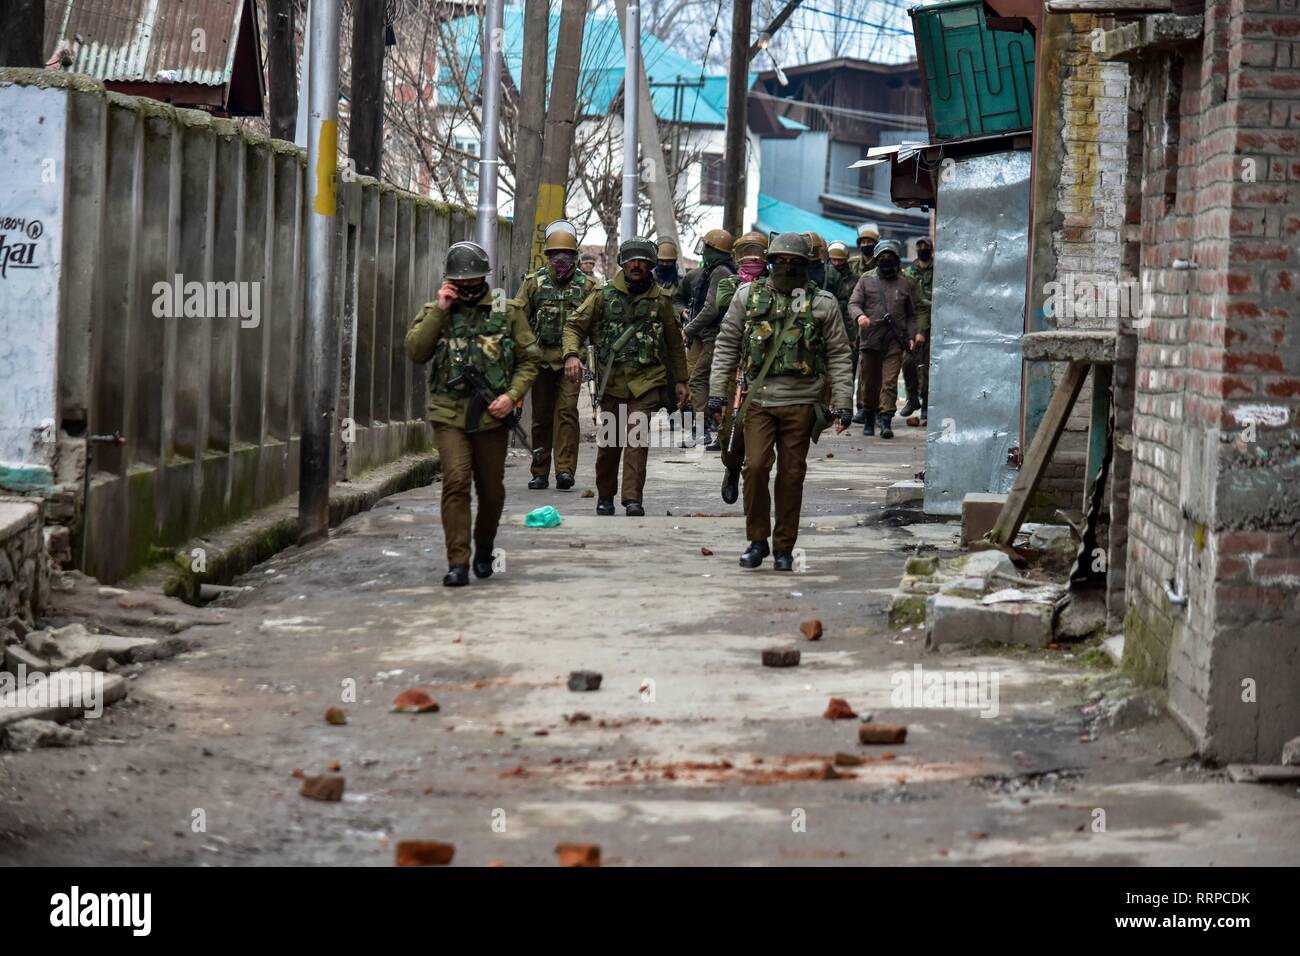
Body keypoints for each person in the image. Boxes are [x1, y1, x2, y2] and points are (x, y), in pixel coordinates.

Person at [708, 232, 854, 571]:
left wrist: (843, 402)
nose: (787, 267)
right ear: (771, 262)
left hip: (803, 402)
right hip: (758, 400)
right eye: (781, 261)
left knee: (791, 475)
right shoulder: (748, 296)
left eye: (795, 262)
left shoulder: (823, 303)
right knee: (755, 467)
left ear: (807, 265)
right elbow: (727, 344)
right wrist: (718, 393)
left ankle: (784, 547)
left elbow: (839, 355)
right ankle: (757, 540)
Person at [404, 241, 541, 587]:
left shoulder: (505, 310)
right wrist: (440, 309)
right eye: (460, 282)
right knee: (456, 480)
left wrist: (512, 396)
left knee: (492, 491)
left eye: (473, 281)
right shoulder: (437, 310)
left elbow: (530, 360)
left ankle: (485, 548)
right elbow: (416, 351)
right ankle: (458, 561)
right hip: (449, 412)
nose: (467, 287)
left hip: (491, 415)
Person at [562, 237, 689, 517]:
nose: (636, 265)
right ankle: (605, 494)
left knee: (636, 437)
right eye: (631, 260)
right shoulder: (603, 295)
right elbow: (574, 325)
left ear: (651, 265)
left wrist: (681, 380)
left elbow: (674, 344)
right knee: (609, 443)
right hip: (612, 380)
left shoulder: (661, 301)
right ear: (622, 263)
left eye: (642, 261)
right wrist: (572, 354)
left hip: (647, 381)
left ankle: (633, 498)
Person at [515, 221, 599, 491]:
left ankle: (565, 470)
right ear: (548, 257)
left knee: (566, 412)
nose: (561, 261)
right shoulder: (534, 283)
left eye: (567, 256)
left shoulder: (588, 286)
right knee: (540, 416)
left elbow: (597, 324)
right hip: (540, 360)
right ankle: (540, 471)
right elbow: (518, 319)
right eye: (556, 256)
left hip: (571, 363)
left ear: (575, 257)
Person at [848, 238, 916, 440]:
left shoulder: (905, 283)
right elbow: (853, 303)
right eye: (882, 257)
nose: (886, 260)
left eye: (890, 257)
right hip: (870, 340)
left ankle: (886, 420)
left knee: (889, 381)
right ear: (877, 260)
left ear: (896, 260)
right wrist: (860, 316)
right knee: (869, 383)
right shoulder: (866, 280)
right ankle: (869, 417)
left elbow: (912, 314)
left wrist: (912, 335)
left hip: (895, 339)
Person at [680, 229, 735, 446]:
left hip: (717, 336)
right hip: (713, 336)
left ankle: (704, 430)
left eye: (708, 248)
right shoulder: (715, 270)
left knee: (700, 379)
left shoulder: (720, 271)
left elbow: (711, 309)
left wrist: (689, 329)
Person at [901, 236, 934, 426]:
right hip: (914, 323)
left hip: (934, 324)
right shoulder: (910, 272)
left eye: (926, 247)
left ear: (931, 250)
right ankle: (912, 398)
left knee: (929, 367)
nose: (923, 249)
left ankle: (927, 407)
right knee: (908, 363)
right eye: (919, 247)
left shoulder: (939, 270)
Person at [826, 240, 859, 416]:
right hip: (825, 327)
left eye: (840, 260)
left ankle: (843, 406)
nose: (836, 263)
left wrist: (853, 335)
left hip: (846, 328)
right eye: (833, 260)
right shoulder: (823, 277)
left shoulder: (854, 280)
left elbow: (850, 308)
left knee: (846, 369)